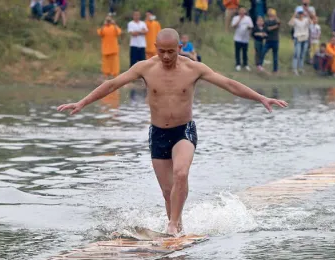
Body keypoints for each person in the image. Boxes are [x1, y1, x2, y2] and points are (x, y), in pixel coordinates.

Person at [56, 28, 288, 236]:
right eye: (162, 51)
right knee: (168, 192)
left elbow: (229, 84)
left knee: (181, 174)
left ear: (179, 48)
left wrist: (260, 97)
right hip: (157, 134)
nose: (166, 56)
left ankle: (172, 225)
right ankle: (177, 226)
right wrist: (82, 102)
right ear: (155, 48)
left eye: (171, 51)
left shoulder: (193, 68)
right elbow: (112, 85)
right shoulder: (145, 67)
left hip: (183, 131)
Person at [289, 9, 313, 76]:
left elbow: (311, 22)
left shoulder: (306, 20)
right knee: (297, 53)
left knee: (302, 54)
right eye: (299, 13)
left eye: (302, 13)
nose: (301, 15)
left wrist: (308, 15)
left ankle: (300, 68)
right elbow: (290, 23)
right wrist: (294, 15)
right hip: (298, 38)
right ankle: (294, 68)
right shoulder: (296, 20)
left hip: (305, 38)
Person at [232, 7, 254, 72]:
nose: (242, 12)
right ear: (238, 11)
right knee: (237, 52)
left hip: (245, 38)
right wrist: (239, 19)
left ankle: (245, 64)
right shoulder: (235, 18)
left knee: (245, 52)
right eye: (240, 10)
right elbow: (233, 26)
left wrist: (248, 28)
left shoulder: (248, 18)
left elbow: (251, 27)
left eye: (243, 10)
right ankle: (238, 64)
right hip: (237, 38)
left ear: (245, 11)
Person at [264, 8, 280, 73]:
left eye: (271, 11)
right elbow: (267, 29)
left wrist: (275, 16)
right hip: (268, 40)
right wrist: (275, 26)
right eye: (269, 11)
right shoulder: (267, 21)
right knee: (263, 52)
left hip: (275, 40)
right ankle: (260, 66)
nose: (270, 12)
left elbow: (279, 23)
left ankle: (275, 70)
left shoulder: (276, 20)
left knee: (275, 56)